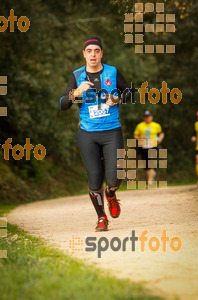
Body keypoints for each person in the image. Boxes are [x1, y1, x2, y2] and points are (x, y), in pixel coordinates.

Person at [59, 36, 133, 231]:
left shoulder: (112, 71)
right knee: (94, 179)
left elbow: (130, 93)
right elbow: (62, 104)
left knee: (116, 177)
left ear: (101, 53)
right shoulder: (76, 76)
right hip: (88, 134)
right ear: (84, 54)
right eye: (89, 51)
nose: (93, 54)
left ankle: (111, 193)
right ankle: (101, 218)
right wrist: (76, 92)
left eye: (96, 50)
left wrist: (117, 97)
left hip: (111, 131)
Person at [134, 110, 164, 185]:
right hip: (143, 146)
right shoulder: (140, 125)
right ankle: (152, 173)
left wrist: (160, 139)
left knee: (150, 160)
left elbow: (161, 134)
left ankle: (150, 180)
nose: (147, 118)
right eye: (146, 117)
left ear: (151, 117)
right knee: (145, 163)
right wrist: (140, 138)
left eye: (149, 117)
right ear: (144, 118)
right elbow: (135, 135)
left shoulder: (156, 125)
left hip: (153, 146)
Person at [191, 110, 198, 185]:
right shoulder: (196, 124)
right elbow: (194, 133)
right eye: (197, 116)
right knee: (197, 160)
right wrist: (193, 137)